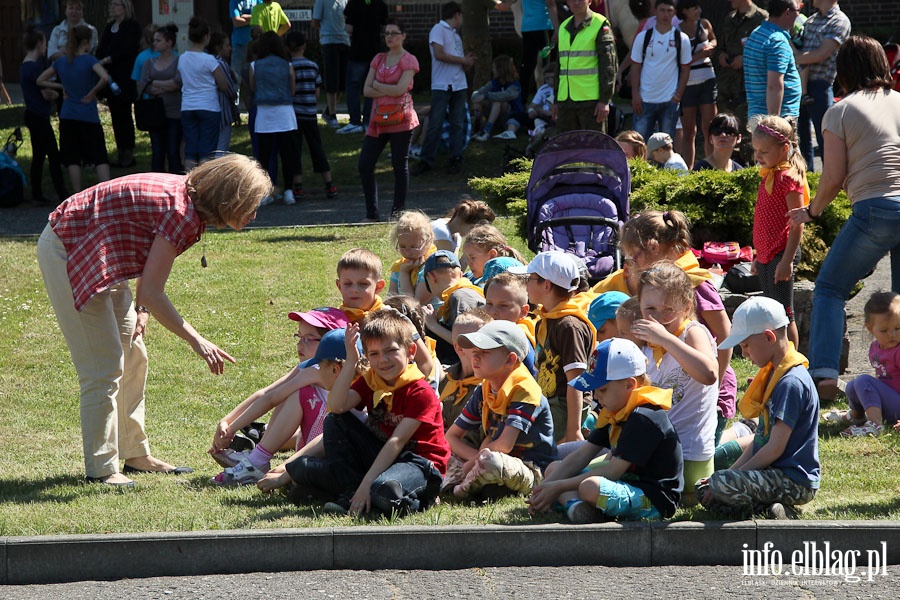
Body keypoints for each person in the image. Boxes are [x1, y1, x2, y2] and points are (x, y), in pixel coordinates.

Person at [36, 154, 272, 487]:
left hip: (103, 252)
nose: (253, 214)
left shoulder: (188, 204)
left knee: (134, 356)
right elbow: (151, 291)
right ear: (228, 198)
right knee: (102, 367)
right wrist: (197, 340)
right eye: (250, 205)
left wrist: (142, 311)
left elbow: (144, 257)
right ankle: (102, 469)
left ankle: (135, 454)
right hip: (69, 247)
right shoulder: (182, 213)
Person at [787, 36, 900, 403]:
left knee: (830, 290)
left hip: (874, 208)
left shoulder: (839, 111)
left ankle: (823, 376)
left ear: (844, 69)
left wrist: (812, 210)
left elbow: (833, 177)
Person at [592, 210, 738, 453]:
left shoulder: (693, 286)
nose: (631, 264)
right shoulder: (652, 291)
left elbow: (725, 335)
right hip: (671, 387)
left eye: (634, 257)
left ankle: (744, 438)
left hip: (705, 389)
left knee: (711, 454)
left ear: (653, 247)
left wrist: (716, 387)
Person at [287, 310, 450, 515]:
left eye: (391, 351)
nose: (383, 360)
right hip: (381, 456)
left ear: (410, 351)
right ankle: (351, 492)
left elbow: (396, 442)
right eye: (374, 354)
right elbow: (336, 407)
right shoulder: (372, 381)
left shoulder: (420, 391)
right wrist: (351, 362)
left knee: (384, 491)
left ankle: (419, 499)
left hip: (418, 463)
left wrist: (367, 485)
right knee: (303, 463)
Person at [527, 337, 683, 523]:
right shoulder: (614, 410)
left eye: (602, 390)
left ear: (629, 385)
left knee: (590, 487)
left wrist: (559, 487)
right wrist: (545, 488)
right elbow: (580, 456)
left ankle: (576, 503)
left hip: (653, 498)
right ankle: (576, 508)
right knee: (554, 469)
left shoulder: (644, 417)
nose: (596, 397)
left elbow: (613, 472)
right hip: (624, 483)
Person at [697, 297, 820, 519]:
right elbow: (760, 441)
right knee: (703, 486)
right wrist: (727, 474)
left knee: (719, 483)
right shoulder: (775, 375)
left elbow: (774, 449)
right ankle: (773, 509)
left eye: (745, 346)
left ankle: (779, 509)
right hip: (772, 473)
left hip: (793, 480)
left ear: (768, 337)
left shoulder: (790, 383)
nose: (743, 354)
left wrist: (725, 479)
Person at [209, 309, 350, 485]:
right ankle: (256, 458)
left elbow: (272, 398)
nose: (300, 344)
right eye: (299, 337)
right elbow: (267, 392)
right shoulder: (309, 368)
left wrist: (231, 430)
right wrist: (226, 421)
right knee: (290, 391)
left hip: (326, 449)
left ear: (331, 343)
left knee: (298, 393)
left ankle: (256, 462)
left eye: (309, 339)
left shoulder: (316, 372)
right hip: (313, 445)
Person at [631, 261, 719, 505]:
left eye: (668, 309)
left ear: (687, 306)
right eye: (650, 309)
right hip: (655, 451)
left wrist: (667, 339)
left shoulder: (691, 332)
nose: (658, 318)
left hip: (690, 456)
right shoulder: (647, 346)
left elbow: (709, 373)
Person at [447, 321, 557, 499]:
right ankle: (478, 481)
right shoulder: (484, 389)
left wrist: (474, 463)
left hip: (530, 467)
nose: (475, 357)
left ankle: (464, 485)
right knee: (440, 455)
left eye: (484, 352)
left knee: (492, 462)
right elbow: (451, 437)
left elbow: (504, 446)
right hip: (489, 458)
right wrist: (475, 459)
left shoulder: (525, 391)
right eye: (474, 352)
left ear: (510, 359)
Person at [510, 251, 595, 442]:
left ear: (546, 285)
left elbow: (576, 380)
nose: (526, 284)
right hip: (548, 401)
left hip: (565, 407)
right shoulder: (546, 320)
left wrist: (573, 430)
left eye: (530, 279)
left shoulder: (569, 325)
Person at [751, 115, 808, 348]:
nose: (757, 156)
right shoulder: (769, 175)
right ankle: (778, 359)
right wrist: (758, 254)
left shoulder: (788, 178)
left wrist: (786, 261)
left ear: (785, 148)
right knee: (772, 313)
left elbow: (797, 222)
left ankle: (791, 362)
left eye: (763, 151)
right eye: (756, 151)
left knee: (784, 314)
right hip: (767, 254)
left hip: (781, 254)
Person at [358, 18, 420, 221]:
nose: (390, 37)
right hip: (378, 120)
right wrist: (388, 89)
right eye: (386, 33)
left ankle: (397, 212)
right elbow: (366, 90)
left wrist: (378, 85)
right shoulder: (378, 59)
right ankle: (371, 213)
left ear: (403, 36)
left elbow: (401, 89)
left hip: (401, 119)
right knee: (365, 164)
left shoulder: (409, 60)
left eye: (394, 33)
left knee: (399, 165)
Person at [37, 25, 111, 192]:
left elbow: (40, 80)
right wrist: (93, 92)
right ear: (86, 42)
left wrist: (60, 86)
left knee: (73, 157)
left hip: (68, 114)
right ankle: (107, 192)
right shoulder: (90, 60)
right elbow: (105, 77)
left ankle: (77, 193)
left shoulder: (62, 62)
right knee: (99, 155)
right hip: (88, 114)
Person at [411, 2, 475, 176]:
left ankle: (455, 158)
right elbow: (439, 54)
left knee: (457, 123)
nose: (461, 20)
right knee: (435, 122)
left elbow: (458, 61)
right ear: (456, 15)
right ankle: (426, 159)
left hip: (459, 85)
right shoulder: (438, 29)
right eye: (461, 16)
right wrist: (463, 61)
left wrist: (467, 62)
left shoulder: (456, 36)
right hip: (442, 84)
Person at [794, 0, 850, 171]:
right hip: (799, 83)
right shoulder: (810, 20)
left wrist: (790, 58)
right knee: (800, 138)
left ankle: (833, 182)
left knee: (826, 137)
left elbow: (821, 55)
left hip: (820, 84)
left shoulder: (839, 21)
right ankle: (807, 181)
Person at [834, 292, 900, 438]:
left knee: (864, 381)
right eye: (884, 330)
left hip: (897, 406)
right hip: (890, 401)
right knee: (852, 386)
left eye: (897, 328)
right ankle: (857, 416)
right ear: (870, 328)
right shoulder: (875, 348)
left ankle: (876, 425)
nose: (892, 334)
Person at [286, 31, 338, 201]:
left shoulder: (287, 66)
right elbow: (317, 92)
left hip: (294, 115)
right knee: (317, 148)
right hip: (310, 114)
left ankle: (298, 186)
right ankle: (329, 184)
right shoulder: (313, 66)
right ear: (304, 46)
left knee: (295, 150)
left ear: (288, 47)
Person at [629, 0, 691, 141]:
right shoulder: (643, 37)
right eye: (662, 10)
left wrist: (678, 96)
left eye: (669, 11)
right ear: (655, 11)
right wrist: (635, 95)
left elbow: (686, 69)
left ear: (674, 13)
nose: (665, 14)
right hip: (644, 99)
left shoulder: (682, 39)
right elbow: (635, 66)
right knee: (639, 144)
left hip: (669, 101)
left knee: (665, 147)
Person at [250, 31, 300, 205]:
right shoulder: (287, 65)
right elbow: (292, 90)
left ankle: (265, 192)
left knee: (263, 156)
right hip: (285, 114)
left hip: (264, 115)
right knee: (287, 155)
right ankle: (288, 191)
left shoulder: (255, 65)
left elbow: (253, 87)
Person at [178, 17, 233, 170]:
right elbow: (223, 84)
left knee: (190, 150)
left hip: (188, 106)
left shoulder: (182, 58)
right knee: (206, 151)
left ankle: (188, 182)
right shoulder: (209, 60)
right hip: (208, 106)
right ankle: (203, 185)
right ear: (206, 37)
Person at [555, 0, 617, 134]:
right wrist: (556, 99)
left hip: (591, 102)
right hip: (566, 100)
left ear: (589, 1)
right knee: (567, 147)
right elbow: (559, 67)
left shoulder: (600, 24)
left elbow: (608, 65)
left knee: (593, 147)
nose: (576, 3)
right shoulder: (564, 26)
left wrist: (604, 100)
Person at [20, 27, 67, 203]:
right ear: (40, 44)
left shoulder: (24, 66)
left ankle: (36, 193)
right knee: (53, 155)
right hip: (39, 115)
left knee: (39, 156)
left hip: (32, 113)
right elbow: (46, 93)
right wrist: (58, 91)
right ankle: (62, 193)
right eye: (45, 43)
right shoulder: (34, 68)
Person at [714, 0, 767, 153]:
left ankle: (748, 167)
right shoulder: (729, 18)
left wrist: (745, 58)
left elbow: (766, 50)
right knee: (726, 128)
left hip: (748, 85)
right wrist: (721, 55)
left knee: (747, 132)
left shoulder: (761, 18)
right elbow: (722, 45)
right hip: (727, 85)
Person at [95, 0, 141, 169]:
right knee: (115, 115)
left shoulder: (132, 26)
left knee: (125, 114)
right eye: (111, 5)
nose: (112, 7)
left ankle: (128, 151)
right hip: (110, 75)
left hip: (125, 76)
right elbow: (102, 48)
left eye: (116, 4)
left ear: (125, 7)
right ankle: (120, 149)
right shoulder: (109, 27)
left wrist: (111, 58)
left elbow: (129, 49)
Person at [742, 0, 801, 129]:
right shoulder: (777, 41)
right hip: (777, 119)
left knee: (759, 150)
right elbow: (774, 86)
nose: (798, 15)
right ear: (787, 12)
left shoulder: (757, 33)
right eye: (797, 10)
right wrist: (774, 124)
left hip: (758, 115)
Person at [422, 250, 486, 363]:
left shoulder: (460, 296)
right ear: (460, 275)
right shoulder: (464, 293)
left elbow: (466, 342)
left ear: (431, 277)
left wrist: (433, 325)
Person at [676, 0, 717, 170]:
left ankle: (712, 166)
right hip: (688, 84)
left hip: (708, 80)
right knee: (689, 130)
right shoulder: (677, 31)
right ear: (684, 11)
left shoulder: (704, 24)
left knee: (709, 127)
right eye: (694, 8)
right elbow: (678, 59)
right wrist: (698, 56)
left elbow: (714, 40)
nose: (698, 11)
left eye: (698, 7)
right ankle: (688, 169)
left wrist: (711, 47)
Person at [340, 0, 388, 134]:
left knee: (353, 86)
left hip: (358, 51)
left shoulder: (353, 3)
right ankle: (368, 120)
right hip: (375, 51)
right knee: (371, 87)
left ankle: (355, 121)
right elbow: (384, 28)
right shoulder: (381, 4)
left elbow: (349, 29)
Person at [140, 24, 182, 174]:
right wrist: (164, 85)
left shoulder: (179, 62)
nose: (154, 43)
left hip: (175, 113)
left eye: (158, 40)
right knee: (157, 152)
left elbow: (177, 84)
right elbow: (144, 86)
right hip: (155, 114)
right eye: (154, 40)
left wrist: (155, 82)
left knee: (173, 151)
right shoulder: (149, 63)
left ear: (169, 43)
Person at [312, 0, 349, 129]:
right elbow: (315, 22)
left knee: (343, 82)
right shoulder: (321, 1)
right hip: (329, 41)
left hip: (344, 41)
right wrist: (328, 28)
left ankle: (328, 111)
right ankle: (332, 114)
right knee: (332, 79)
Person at [471, 55, 526, 141]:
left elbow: (508, 95)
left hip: (512, 115)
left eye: (494, 68)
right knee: (478, 102)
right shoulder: (494, 82)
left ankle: (487, 131)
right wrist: (476, 97)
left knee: (498, 102)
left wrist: (487, 96)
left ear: (501, 69)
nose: (493, 70)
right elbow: (478, 93)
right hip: (496, 115)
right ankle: (477, 128)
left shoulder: (514, 84)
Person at [387, 209, 436, 297]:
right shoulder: (399, 267)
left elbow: (414, 303)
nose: (407, 252)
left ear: (428, 240)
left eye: (414, 247)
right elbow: (390, 297)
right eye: (402, 246)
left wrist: (405, 273)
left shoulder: (432, 267)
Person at [461, 224, 528, 285]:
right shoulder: (470, 276)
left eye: (473, 258)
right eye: (467, 258)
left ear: (492, 255)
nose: (469, 263)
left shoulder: (504, 281)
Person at [207, 32, 239, 155]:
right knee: (221, 147)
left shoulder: (206, 61)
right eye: (227, 45)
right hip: (222, 111)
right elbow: (228, 88)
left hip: (209, 110)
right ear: (218, 47)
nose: (230, 48)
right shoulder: (220, 63)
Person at [431, 197, 496, 258]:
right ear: (472, 225)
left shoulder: (455, 234)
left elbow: (454, 266)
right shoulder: (442, 233)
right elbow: (447, 269)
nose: (473, 233)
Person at [519, 0, 558, 101]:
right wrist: (557, 29)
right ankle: (549, 98)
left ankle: (522, 99)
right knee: (549, 63)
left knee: (527, 65)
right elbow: (550, 4)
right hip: (543, 25)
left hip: (527, 27)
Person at [336, 248, 386, 323]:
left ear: (378, 286)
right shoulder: (334, 320)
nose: (354, 289)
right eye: (348, 284)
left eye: (363, 284)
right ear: (339, 286)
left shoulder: (389, 318)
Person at [231, 0, 262, 89]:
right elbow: (237, 22)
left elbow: (261, 18)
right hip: (239, 44)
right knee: (236, 79)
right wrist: (253, 18)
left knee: (256, 77)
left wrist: (245, 17)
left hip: (255, 44)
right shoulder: (234, 1)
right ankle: (234, 102)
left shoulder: (257, 1)